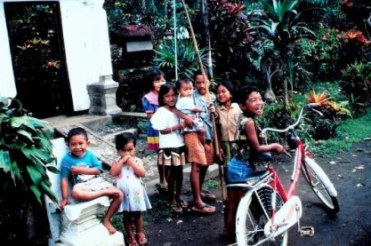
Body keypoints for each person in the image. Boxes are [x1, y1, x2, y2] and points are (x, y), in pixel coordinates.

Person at [223, 85, 285, 239]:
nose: (259, 102)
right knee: (238, 203)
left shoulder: (243, 118)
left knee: (232, 204)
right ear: (243, 105)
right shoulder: (249, 123)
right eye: (253, 100)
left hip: (235, 166)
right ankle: (236, 235)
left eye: (260, 99)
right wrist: (275, 146)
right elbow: (257, 148)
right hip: (243, 169)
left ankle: (230, 234)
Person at [59, 127, 123, 234]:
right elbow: (64, 179)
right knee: (75, 193)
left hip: (96, 182)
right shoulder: (66, 160)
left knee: (119, 194)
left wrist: (81, 170)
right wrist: (65, 198)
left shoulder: (90, 155)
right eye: (73, 144)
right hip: (82, 185)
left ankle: (106, 220)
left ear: (87, 143)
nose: (77, 147)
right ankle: (104, 192)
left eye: (81, 143)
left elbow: (98, 170)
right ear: (68, 145)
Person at [150, 84, 188, 213]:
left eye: (173, 95)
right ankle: (171, 199)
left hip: (179, 144)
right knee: (173, 172)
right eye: (168, 96)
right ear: (163, 98)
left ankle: (178, 196)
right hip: (169, 146)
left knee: (180, 172)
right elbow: (162, 130)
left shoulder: (178, 110)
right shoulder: (161, 112)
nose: (171, 98)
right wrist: (177, 127)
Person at [110, 132, 152, 246]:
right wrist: (122, 161)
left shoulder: (137, 161)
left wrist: (133, 164)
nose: (127, 153)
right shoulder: (117, 162)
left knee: (138, 214)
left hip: (136, 194)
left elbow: (142, 173)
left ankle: (139, 232)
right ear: (118, 150)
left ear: (135, 148)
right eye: (124, 150)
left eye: (130, 150)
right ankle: (131, 236)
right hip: (123, 195)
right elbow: (113, 173)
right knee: (126, 215)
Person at [185, 70, 217, 214]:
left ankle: (199, 193)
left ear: (209, 82)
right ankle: (197, 202)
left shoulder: (213, 97)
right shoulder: (190, 97)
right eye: (198, 82)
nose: (201, 85)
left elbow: (214, 119)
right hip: (195, 132)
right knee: (197, 165)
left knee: (205, 164)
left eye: (204, 82)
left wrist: (213, 112)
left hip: (208, 134)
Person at [142, 68, 167, 192]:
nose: (161, 83)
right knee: (161, 155)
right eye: (157, 80)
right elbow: (150, 116)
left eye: (163, 80)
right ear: (150, 83)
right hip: (157, 130)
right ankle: (162, 179)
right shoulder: (149, 98)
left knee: (170, 153)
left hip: (169, 129)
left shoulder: (168, 94)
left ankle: (169, 178)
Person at [175, 78, 206, 145]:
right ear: (179, 91)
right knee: (202, 131)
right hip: (189, 122)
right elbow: (194, 108)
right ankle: (203, 143)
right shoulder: (184, 100)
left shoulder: (182, 98)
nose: (189, 91)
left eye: (191, 89)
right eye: (186, 90)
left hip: (188, 120)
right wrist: (200, 109)